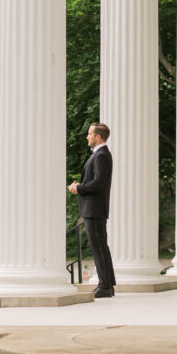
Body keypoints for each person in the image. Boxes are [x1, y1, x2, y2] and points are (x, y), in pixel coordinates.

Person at [68, 122, 116, 298]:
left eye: (89, 134)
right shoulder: (99, 154)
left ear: (98, 137)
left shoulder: (102, 155)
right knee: (100, 247)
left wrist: (79, 187)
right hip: (93, 208)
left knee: (99, 247)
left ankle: (105, 287)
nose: (87, 137)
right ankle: (107, 285)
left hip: (94, 208)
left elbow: (99, 183)